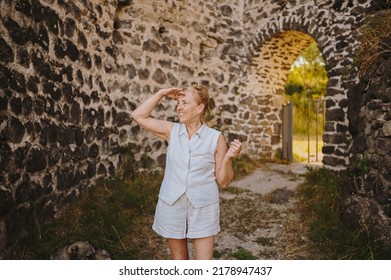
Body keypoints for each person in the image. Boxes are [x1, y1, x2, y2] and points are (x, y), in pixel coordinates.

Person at [131, 83, 242, 260]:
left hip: (203, 206)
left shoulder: (215, 138)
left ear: (200, 108)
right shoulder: (171, 131)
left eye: (184, 103)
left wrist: (228, 158)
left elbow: (224, 181)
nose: (179, 107)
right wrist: (161, 93)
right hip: (172, 203)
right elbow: (138, 115)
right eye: (178, 103)